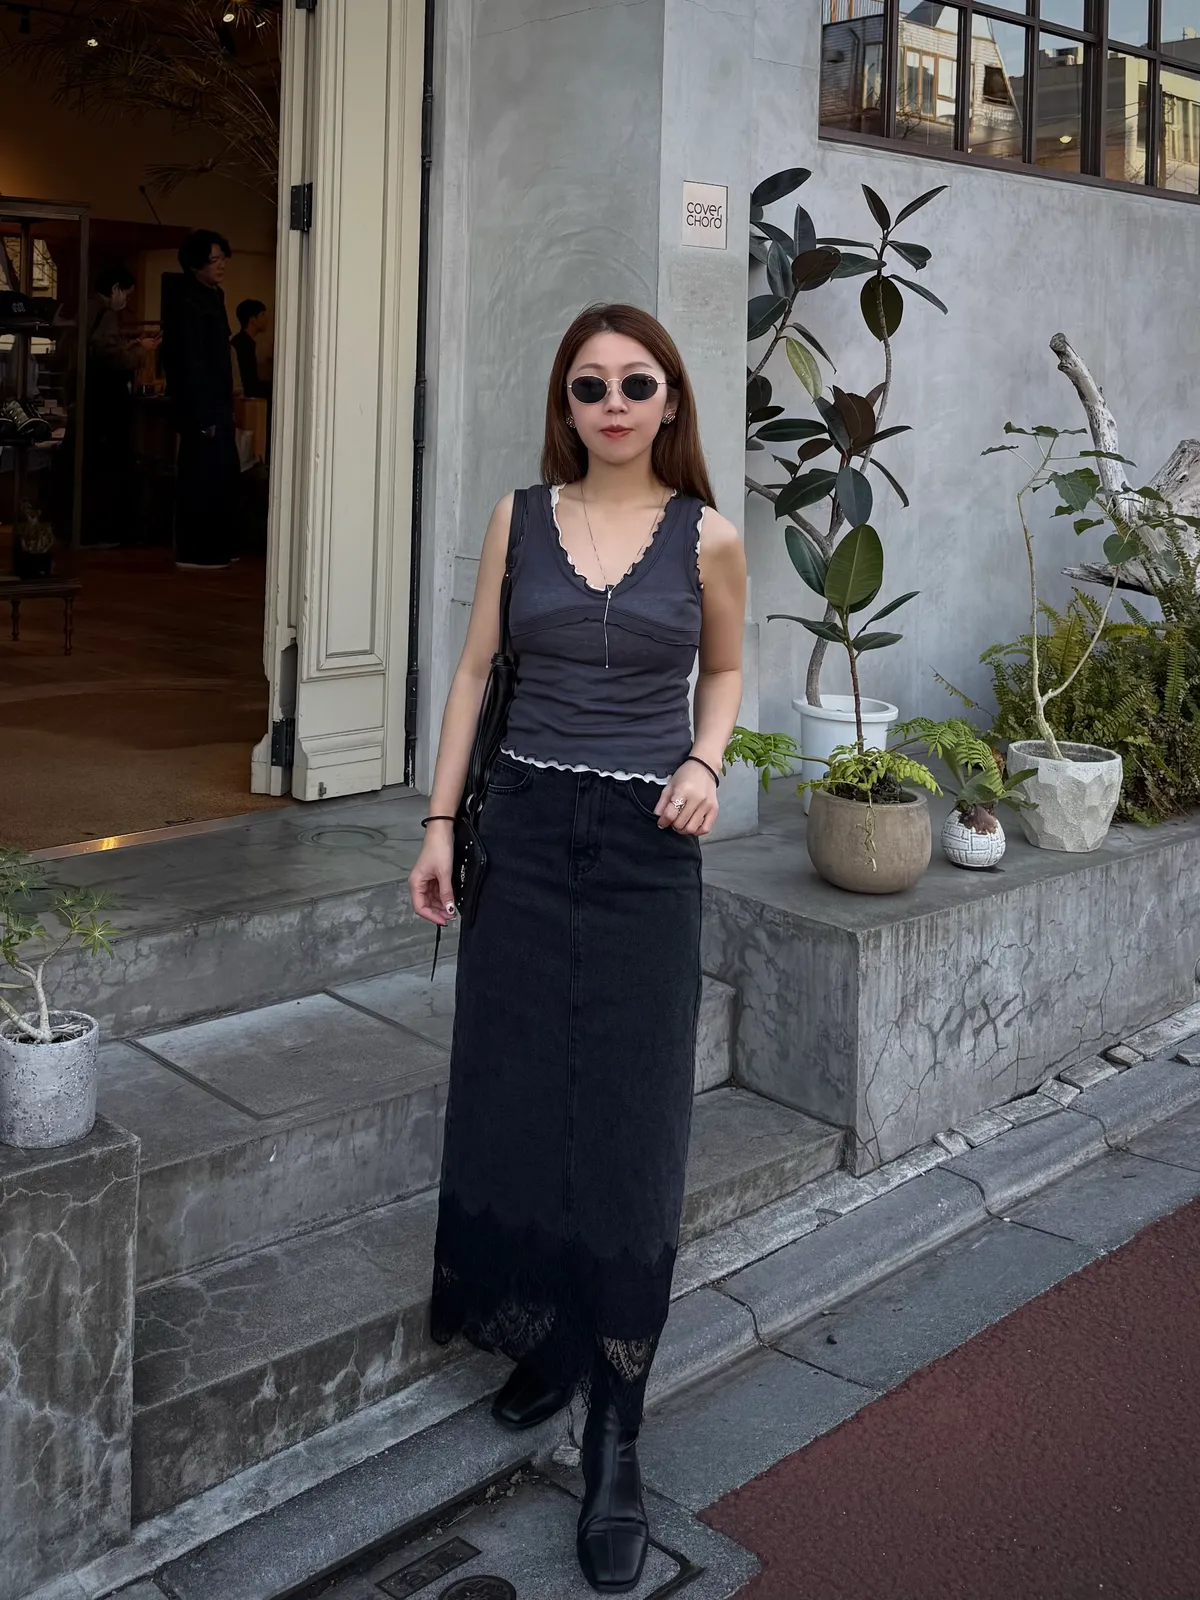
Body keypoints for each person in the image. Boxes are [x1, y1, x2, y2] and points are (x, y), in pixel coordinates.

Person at [409, 303, 746, 1592]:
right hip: (527, 836)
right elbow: (472, 673)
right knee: (516, 1092)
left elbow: (725, 672)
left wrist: (706, 762)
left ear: (671, 401)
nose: (613, 403)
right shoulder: (520, 518)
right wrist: (440, 823)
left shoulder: (709, 537)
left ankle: (617, 1427)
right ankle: (546, 1336)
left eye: (636, 383)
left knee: (629, 1122)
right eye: (590, 385)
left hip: (649, 848)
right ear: (565, 403)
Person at [162, 229, 239, 570]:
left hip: (218, 400)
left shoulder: (214, 295)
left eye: (223, 258)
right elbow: (189, 361)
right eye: (214, 260)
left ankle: (220, 547)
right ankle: (197, 552)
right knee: (201, 476)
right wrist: (202, 413)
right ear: (196, 264)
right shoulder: (186, 301)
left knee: (223, 474)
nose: (221, 265)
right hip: (200, 403)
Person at [79, 267, 157, 546]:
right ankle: (103, 532)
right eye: (126, 294)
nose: (126, 301)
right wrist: (140, 350)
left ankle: (83, 531)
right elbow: (109, 356)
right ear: (115, 289)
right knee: (108, 468)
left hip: (85, 398)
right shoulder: (106, 313)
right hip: (105, 401)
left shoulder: (84, 308)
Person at [230, 298, 270, 401]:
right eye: (262, 315)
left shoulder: (245, 342)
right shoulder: (243, 344)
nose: (266, 319)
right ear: (252, 320)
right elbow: (249, 382)